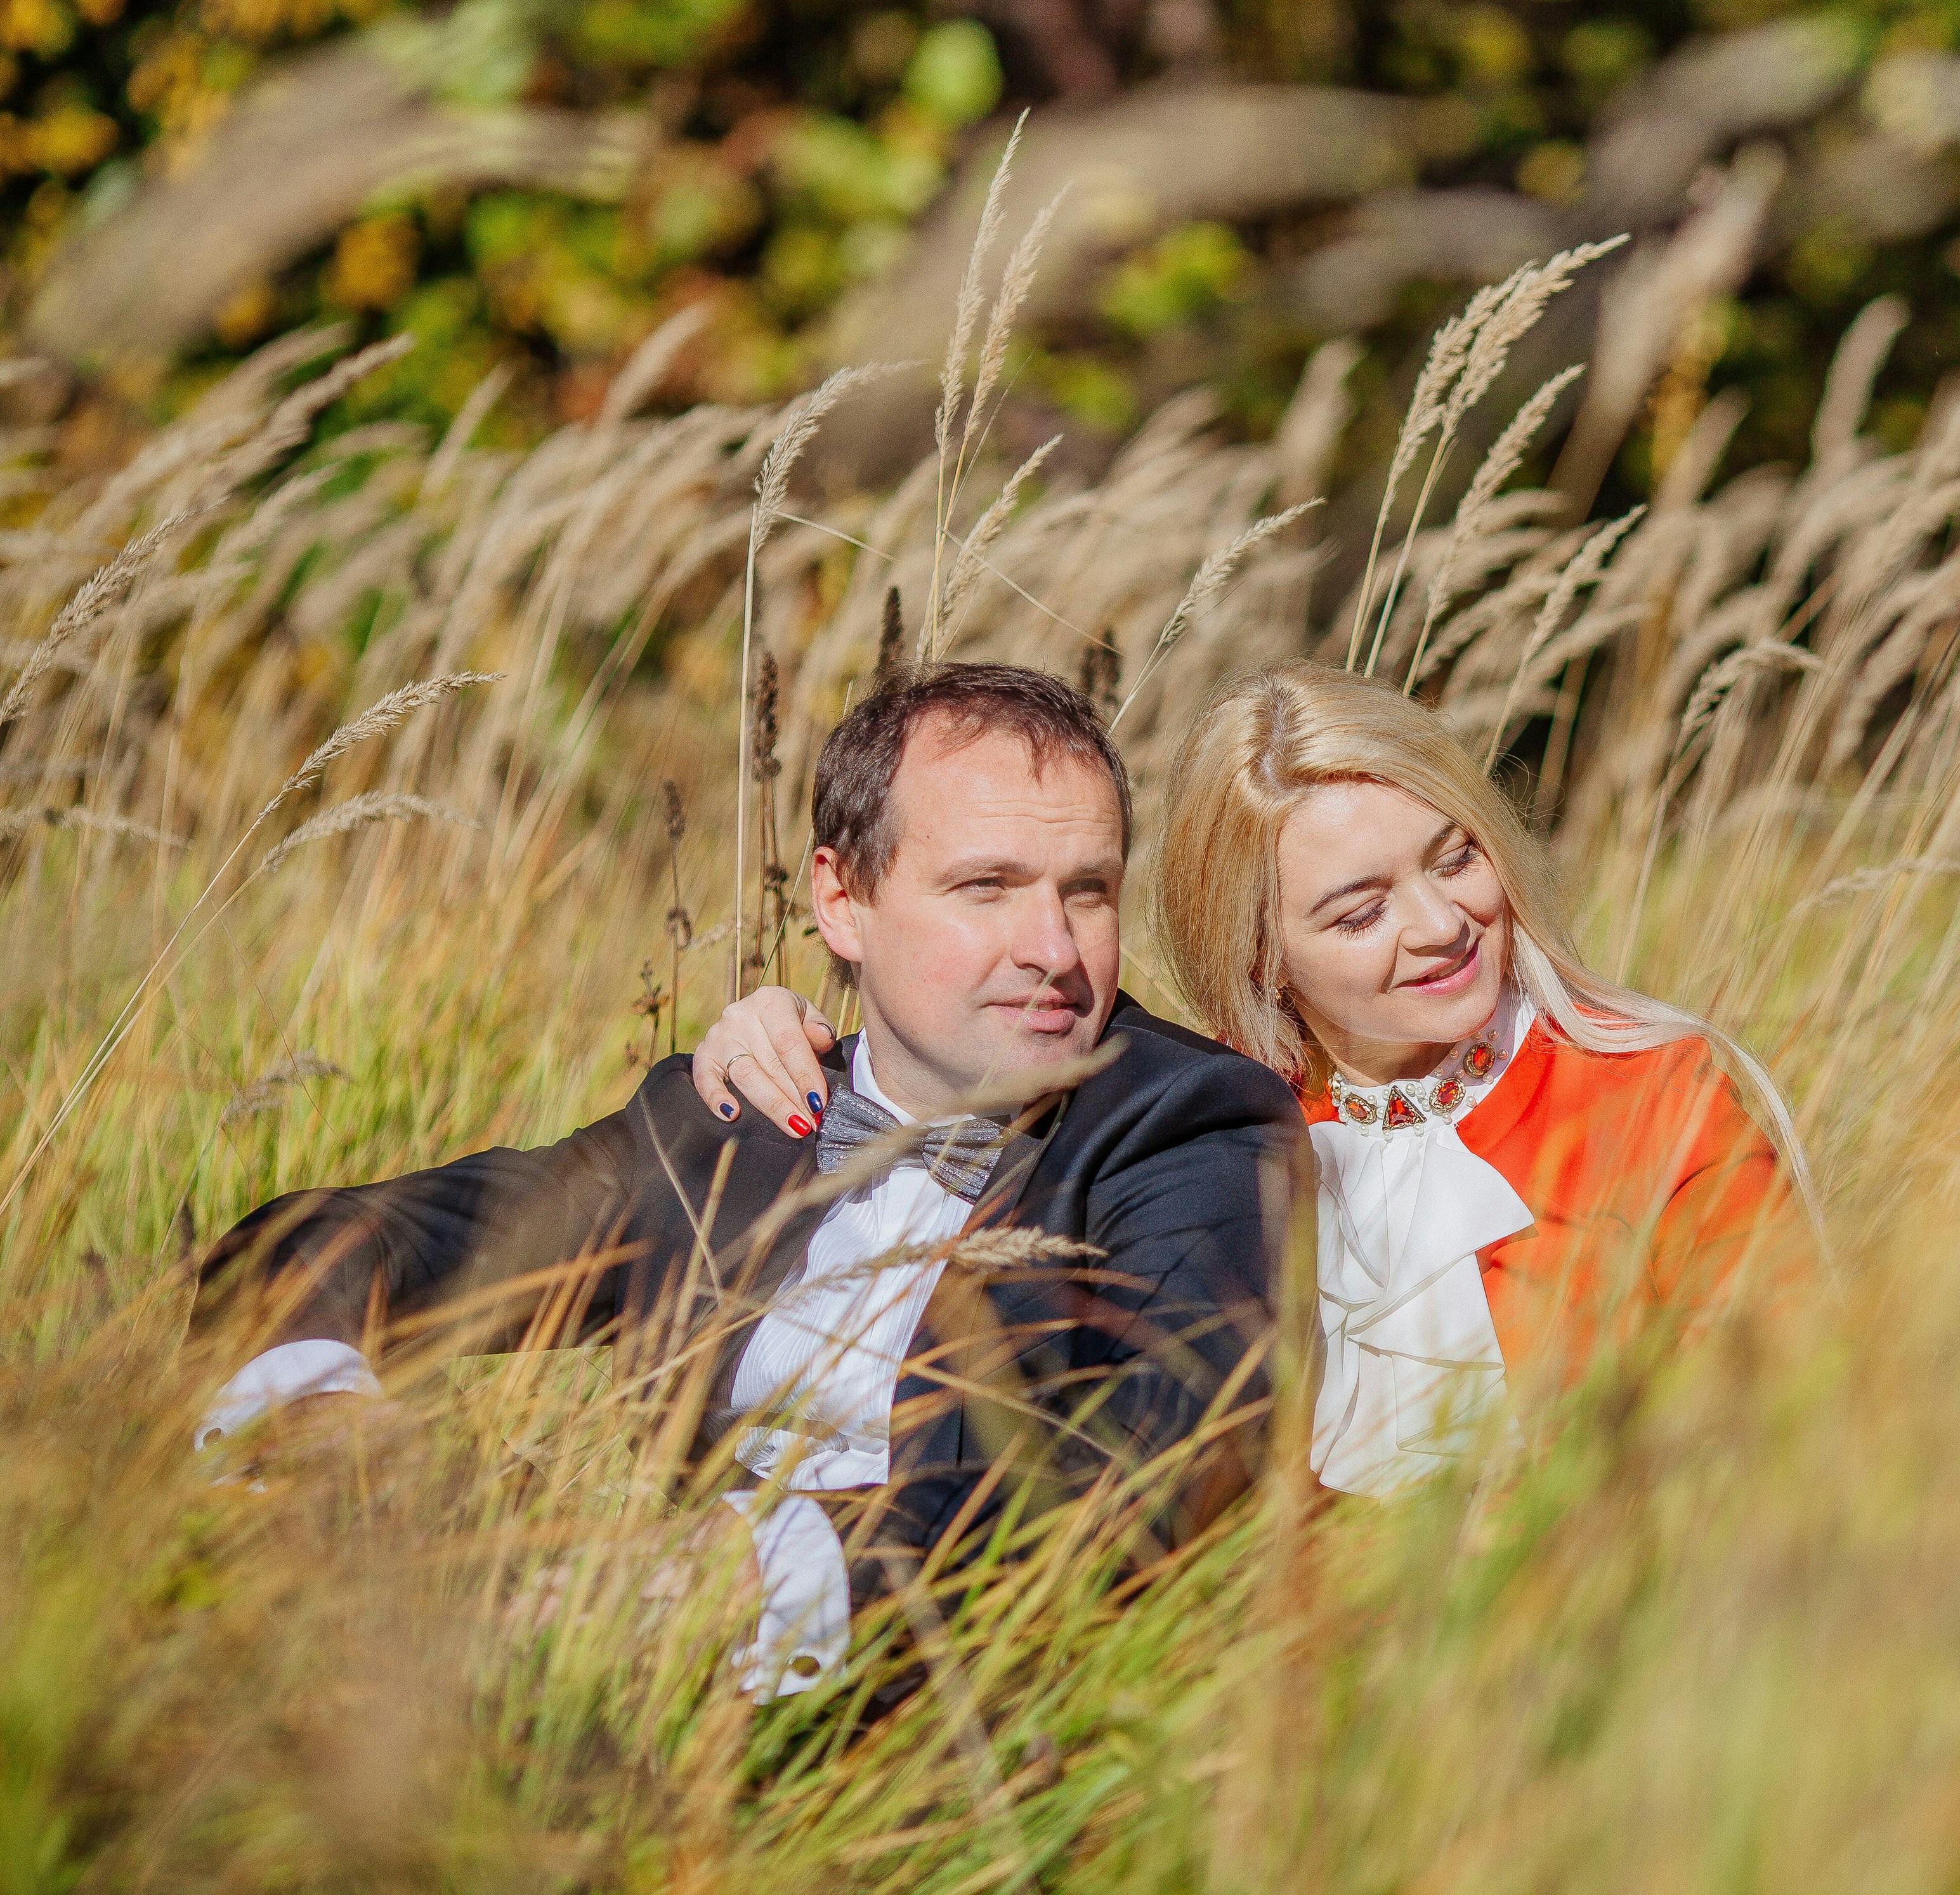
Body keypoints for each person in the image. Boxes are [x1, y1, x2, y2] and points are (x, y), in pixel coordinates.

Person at [193, 664, 1305, 1698]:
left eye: (1088, 892)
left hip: (962, 1733)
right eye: (987, 888)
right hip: (627, 1702)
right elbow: (336, 1241)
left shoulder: (1192, 1125)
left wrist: (740, 1570)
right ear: (843, 902)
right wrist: (324, 1420)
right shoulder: (729, 1122)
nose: (1053, 949)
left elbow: (1161, 1460)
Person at [694, 660, 1804, 1501]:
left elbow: (1786, 1432)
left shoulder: (1652, 1094)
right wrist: (791, 1032)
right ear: (1264, 954)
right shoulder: (1205, 1125)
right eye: (1359, 912)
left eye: (1456, 855)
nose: (1440, 925)